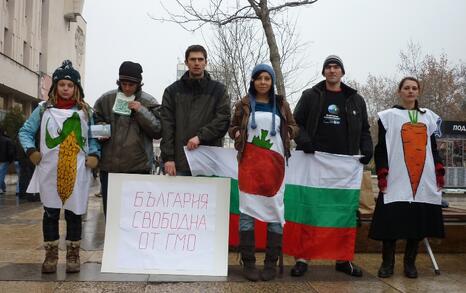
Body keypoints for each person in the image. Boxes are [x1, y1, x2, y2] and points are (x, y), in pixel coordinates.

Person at [291, 55, 373, 277]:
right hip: (313, 163)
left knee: (343, 213)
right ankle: (302, 258)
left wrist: (367, 149)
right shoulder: (310, 96)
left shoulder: (356, 99)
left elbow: (364, 129)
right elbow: (294, 123)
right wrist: (304, 141)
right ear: (323, 72)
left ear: (342, 72)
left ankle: (343, 259)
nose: (332, 70)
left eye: (336, 67)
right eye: (328, 67)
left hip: (343, 167)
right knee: (310, 211)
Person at [18, 60, 100, 274]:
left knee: (74, 213)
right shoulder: (43, 109)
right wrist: (31, 151)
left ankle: (73, 253)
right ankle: (51, 254)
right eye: (62, 84)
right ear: (55, 87)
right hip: (49, 170)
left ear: (77, 88)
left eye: (70, 85)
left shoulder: (86, 111)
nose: (65, 89)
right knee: (51, 212)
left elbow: (95, 135)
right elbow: (25, 132)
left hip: (77, 170)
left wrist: (94, 154)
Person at [369, 77, 445, 278]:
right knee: (391, 221)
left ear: (418, 91)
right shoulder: (388, 116)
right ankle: (388, 264)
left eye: (414, 88)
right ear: (399, 91)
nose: (410, 91)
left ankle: (410, 264)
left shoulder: (429, 117)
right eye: (406, 88)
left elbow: (433, 148)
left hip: (422, 178)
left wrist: (438, 168)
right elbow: (381, 148)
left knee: (416, 222)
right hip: (396, 177)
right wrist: (383, 171)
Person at [229, 64, 298, 281]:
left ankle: (270, 263)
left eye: (267, 78)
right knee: (247, 214)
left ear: (272, 82)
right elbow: (231, 129)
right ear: (253, 81)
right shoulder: (243, 104)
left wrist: (288, 132)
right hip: (249, 166)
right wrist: (237, 132)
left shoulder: (282, 104)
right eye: (259, 78)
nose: (263, 82)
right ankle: (249, 263)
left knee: (275, 213)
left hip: (275, 168)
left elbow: (295, 127)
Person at [94, 61, 162, 216]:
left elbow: (158, 130)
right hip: (109, 168)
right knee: (111, 215)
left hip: (138, 169)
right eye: (124, 84)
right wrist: (101, 130)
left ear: (139, 84)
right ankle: (110, 241)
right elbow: (93, 123)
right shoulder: (106, 100)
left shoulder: (149, 102)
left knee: (135, 215)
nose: (127, 88)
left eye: (131, 85)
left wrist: (141, 111)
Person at [160, 45, 230, 176]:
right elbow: (167, 125)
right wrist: (168, 158)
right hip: (180, 162)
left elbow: (223, 121)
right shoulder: (172, 91)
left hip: (209, 160)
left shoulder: (219, 90)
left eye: (200, 59)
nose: (196, 63)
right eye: (192, 59)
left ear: (206, 62)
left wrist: (200, 137)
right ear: (186, 62)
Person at [0, 127, 15, 194]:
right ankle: (1, 188)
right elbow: (10, 152)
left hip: (3, 159)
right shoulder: (7, 140)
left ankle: (3, 188)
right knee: (2, 174)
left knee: (1, 174)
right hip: (4, 159)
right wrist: (11, 160)